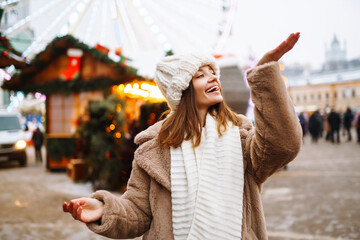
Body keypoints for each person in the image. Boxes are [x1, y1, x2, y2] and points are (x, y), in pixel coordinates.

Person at [63, 32, 302, 239]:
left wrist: (264, 76)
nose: (213, 77)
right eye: (200, 75)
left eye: (212, 71)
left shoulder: (241, 139)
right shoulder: (153, 150)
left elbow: (283, 145)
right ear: (182, 90)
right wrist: (105, 209)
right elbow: (137, 211)